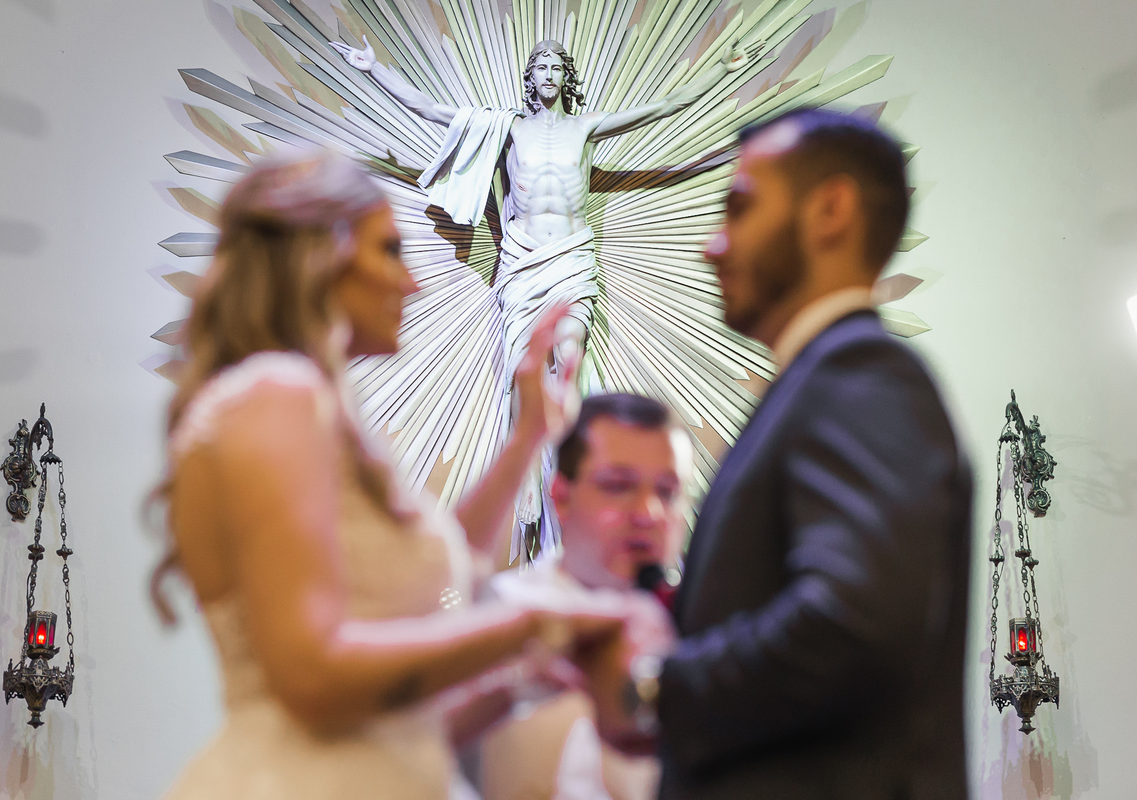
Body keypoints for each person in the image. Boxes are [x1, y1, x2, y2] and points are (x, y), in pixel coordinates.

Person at [151, 151, 623, 800]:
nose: (413, 284)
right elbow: (314, 679)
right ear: (322, 255)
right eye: (391, 251)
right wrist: (535, 624)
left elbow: (448, 571)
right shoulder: (277, 394)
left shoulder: (308, 405)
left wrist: (528, 440)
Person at [578, 108, 973, 799]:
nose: (712, 245)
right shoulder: (820, 384)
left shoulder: (861, 374)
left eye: (739, 207)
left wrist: (657, 691)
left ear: (830, 210)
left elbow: (853, 624)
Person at [332, 35, 765, 554]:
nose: (547, 74)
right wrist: (373, 68)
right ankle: (530, 480)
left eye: (556, 66)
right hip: (522, 261)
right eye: (539, 66)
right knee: (524, 374)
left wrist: (719, 72)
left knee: (568, 358)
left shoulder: (586, 127)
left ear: (566, 77)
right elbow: (429, 109)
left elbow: (662, 108)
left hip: (572, 258)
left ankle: (571, 476)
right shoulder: (508, 129)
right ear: (529, 77)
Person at [474, 394, 689, 800]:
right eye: (618, 486)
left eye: (668, 491)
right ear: (562, 498)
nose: (648, 513)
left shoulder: (704, 630)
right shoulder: (498, 618)